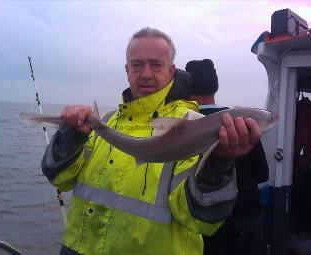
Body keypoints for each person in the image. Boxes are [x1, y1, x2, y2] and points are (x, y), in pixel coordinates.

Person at [41, 28, 263, 255]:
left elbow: (201, 220)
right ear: (127, 71)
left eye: (156, 65)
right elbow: (60, 178)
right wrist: (72, 135)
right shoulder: (105, 122)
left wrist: (218, 164)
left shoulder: (192, 126)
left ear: (171, 70)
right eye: (137, 65)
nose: (146, 73)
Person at [185, 59, 269, 255]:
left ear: (187, 88)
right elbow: (262, 174)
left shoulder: (183, 128)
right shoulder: (244, 121)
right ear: (215, 87)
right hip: (249, 213)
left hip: (208, 220)